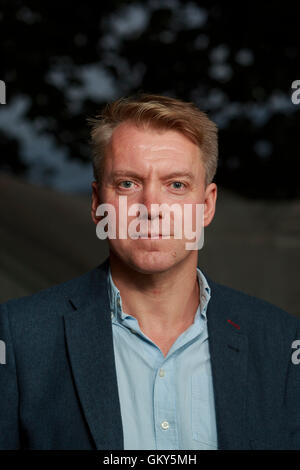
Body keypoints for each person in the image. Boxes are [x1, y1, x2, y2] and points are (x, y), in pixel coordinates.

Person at [0, 94, 299, 450]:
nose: (151, 209)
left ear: (207, 206)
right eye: (128, 183)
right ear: (97, 204)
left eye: (176, 185)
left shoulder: (281, 343)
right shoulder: (19, 337)